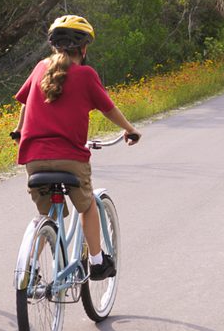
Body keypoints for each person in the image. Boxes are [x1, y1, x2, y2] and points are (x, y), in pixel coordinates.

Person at [11, 15, 141, 281]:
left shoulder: (39, 69)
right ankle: (96, 261)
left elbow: (25, 102)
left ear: (54, 46)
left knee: (45, 214)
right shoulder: (85, 74)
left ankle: (31, 269)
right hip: (70, 158)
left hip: (33, 159)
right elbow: (108, 108)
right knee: (87, 205)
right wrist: (130, 129)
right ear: (83, 48)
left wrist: (19, 130)